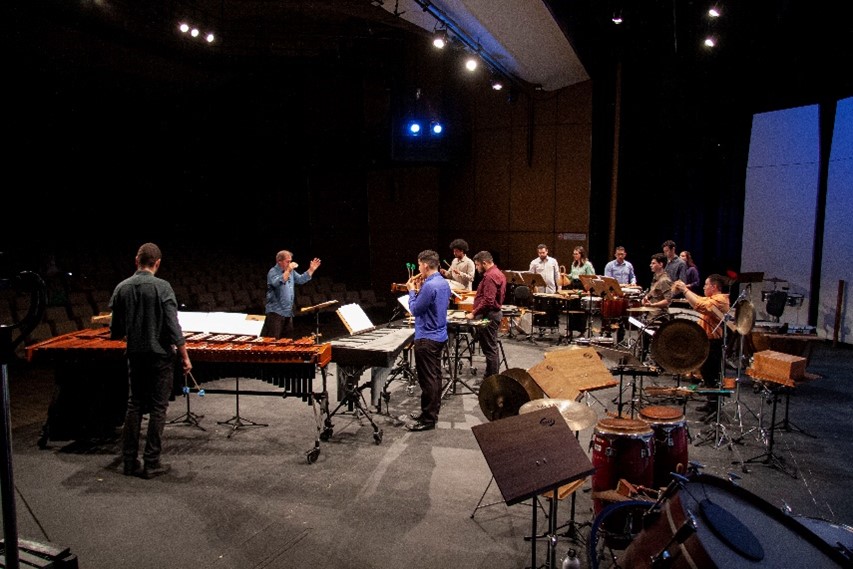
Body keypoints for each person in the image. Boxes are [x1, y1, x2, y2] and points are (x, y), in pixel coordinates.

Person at [110, 243, 192, 479]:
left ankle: (128, 461)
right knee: (158, 408)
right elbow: (173, 326)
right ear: (157, 263)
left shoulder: (122, 288)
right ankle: (152, 462)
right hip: (160, 357)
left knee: (134, 404)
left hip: (135, 355)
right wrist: (185, 357)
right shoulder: (162, 287)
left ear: (137, 261)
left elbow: (115, 330)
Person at [406, 249, 452, 432]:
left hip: (427, 338)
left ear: (425, 265)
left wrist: (411, 292)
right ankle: (430, 412)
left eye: (419, 265)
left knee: (428, 381)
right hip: (439, 335)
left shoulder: (430, 286)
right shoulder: (442, 282)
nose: (419, 268)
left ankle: (428, 419)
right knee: (435, 377)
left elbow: (415, 310)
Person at [672, 274, 730, 413]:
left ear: (714, 287)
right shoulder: (712, 299)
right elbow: (698, 300)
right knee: (706, 373)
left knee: (712, 374)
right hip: (707, 341)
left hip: (715, 343)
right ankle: (711, 403)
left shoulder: (721, 300)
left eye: (706, 285)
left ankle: (714, 408)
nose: (703, 287)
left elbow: (700, 305)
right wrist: (685, 290)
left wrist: (685, 290)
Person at [261, 250, 321, 339]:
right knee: (273, 341)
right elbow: (279, 282)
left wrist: (311, 269)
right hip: (275, 313)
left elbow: (301, 280)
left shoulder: (291, 272)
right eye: (287, 261)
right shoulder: (273, 272)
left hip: (288, 312)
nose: (290, 264)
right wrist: (289, 270)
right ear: (279, 261)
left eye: (290, 261)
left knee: (287, 340)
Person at [466, 251, 507, 378]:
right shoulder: (498, 273)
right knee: (491, 348)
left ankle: (492, 381)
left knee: (490, 350)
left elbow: (489, 300)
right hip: (491, 315)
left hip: (489, 316)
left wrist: (474, 313)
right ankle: (490, 377)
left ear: (484, 263)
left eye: (477, 265)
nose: (477, 268)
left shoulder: (490, 276)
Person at [642, 253, 672, 320]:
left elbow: (668, 301)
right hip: (651, 314)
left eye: (653, 263)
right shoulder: (655, 277)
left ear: (661, 264)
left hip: (659, 316)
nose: (650, 265)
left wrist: (653, 305)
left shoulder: (664, 280)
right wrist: (646, 297)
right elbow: (652, 291)